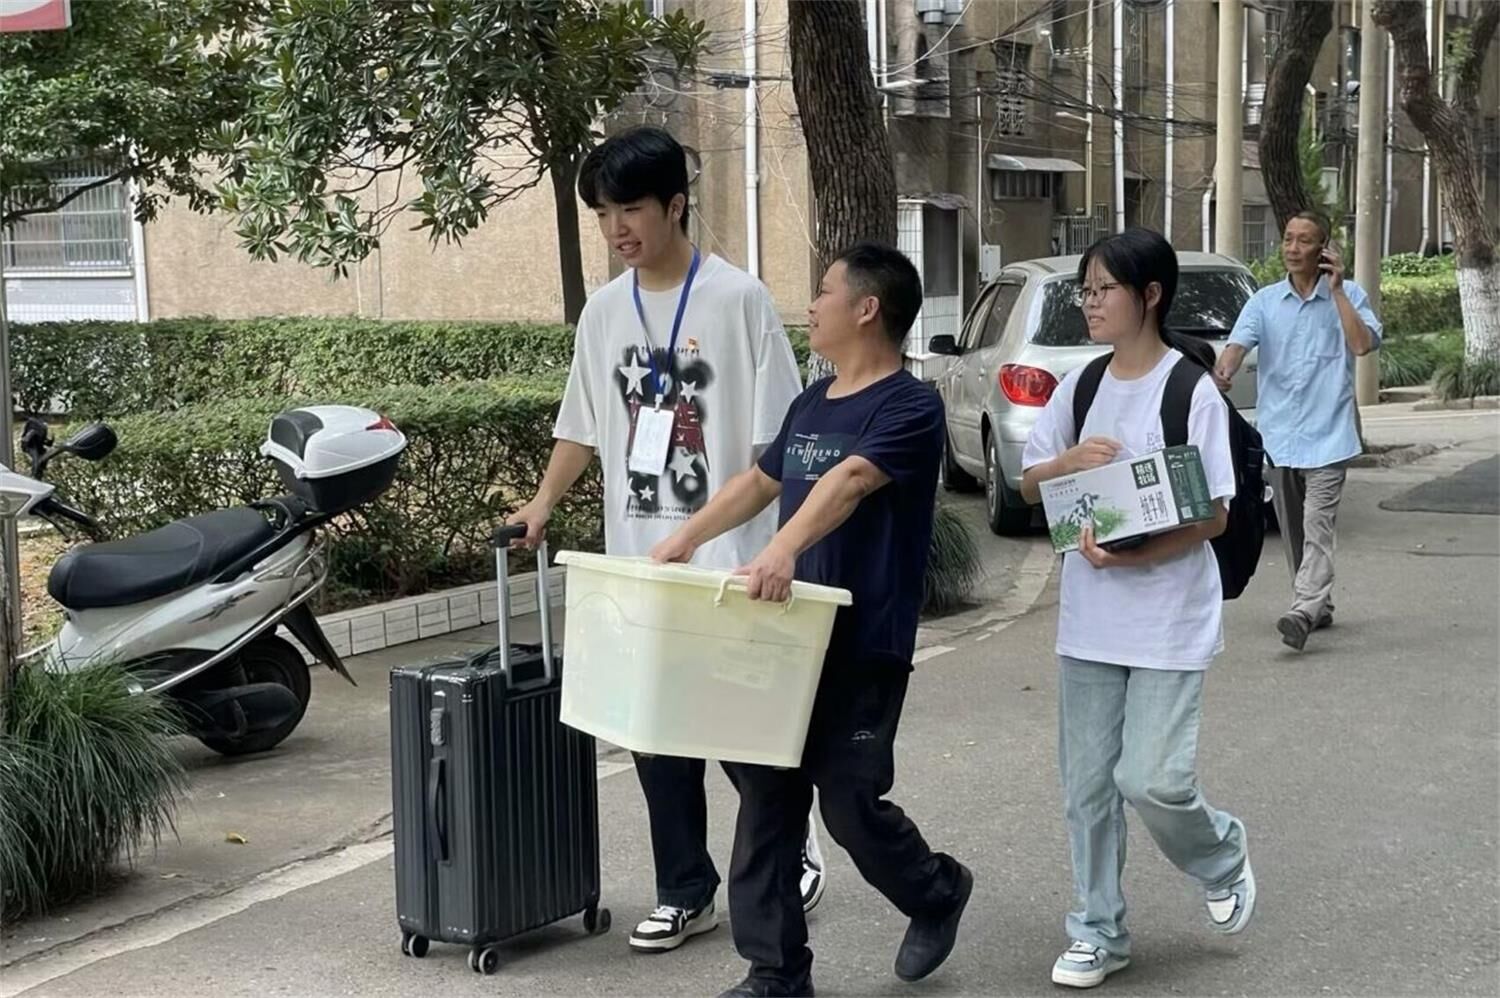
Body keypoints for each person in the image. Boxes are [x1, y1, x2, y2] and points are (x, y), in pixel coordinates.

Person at [505, 126, 827, 954]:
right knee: (654, 732)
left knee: (742, 731)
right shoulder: (605, 312)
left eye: (631, 209)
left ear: (676, 206)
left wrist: (781, 544)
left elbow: (779, 444)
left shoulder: (738, 299)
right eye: (603, 214)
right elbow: (581, 426)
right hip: (641, 561)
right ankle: (686, 891)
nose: (616, 229)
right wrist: (542, 504)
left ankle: (790, 844)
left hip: (731, 558)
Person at [651, 243, 974, 998]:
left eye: (825, 291)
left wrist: (784, 549)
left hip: (863, 643)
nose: (812, 304)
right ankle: (776, 974)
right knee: (767, 801)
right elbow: (760, 482)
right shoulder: (812, 400)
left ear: (867, 308)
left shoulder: (909, 405)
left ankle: (936, 890)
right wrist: (683, 539)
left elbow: (852, 478)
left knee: (850, 807)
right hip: (785, 638)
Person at [1020, 228, 1256, 990]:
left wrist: (1133, 555)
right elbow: (1030, 484)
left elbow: (1214, 514)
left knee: (1152, 779)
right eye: (1084, 291)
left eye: (1103, 290)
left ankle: (1221, 854)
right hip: (1089, 623)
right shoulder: (1081, 387)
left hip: (1167, 619)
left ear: (1150, 295)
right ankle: (1098, 930)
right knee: (1088, 788)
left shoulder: (1191, 391)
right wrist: (1066, 462)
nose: (1089, 303)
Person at [1214, 210, 1381, 651]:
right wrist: (1224, 371)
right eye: (1288, 238)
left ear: (1323, 249)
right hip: (1280, 436)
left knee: (1317, 524)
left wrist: (1338, 291)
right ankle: (1317, 604)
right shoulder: (1265, 302)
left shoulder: (1350, 296)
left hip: (1330, 435)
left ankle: (1304, 608)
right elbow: (1236, 346)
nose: (1292, 248)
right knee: (1294, 531)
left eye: (1304, 240)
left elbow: (1362, 345)